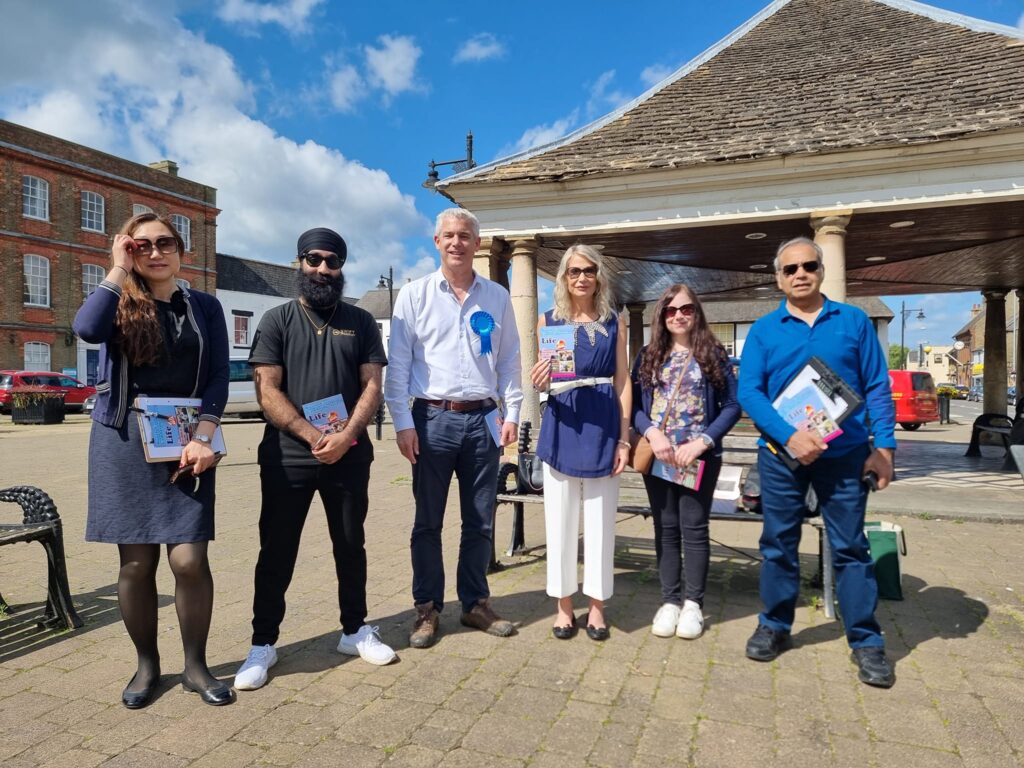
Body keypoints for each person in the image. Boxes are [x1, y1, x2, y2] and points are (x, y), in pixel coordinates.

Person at [73, 212, 233, 708]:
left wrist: (205, 436)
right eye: (142, 246)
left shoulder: (205, 307)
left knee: (189, 559)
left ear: (182, 251)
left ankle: (195, 666)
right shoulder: (118, 300)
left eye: (165, 243)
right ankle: (146, 665)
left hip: (186, 441)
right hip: (123, 439)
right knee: (137, 564)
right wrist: (118, 271)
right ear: (128, 251)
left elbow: (218, 378)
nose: (156, 252)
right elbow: (85, 328)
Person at [233, 227, 396, 692]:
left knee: (350, 544)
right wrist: (311, 434)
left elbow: (371, 385)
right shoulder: (276, 320)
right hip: (288, 456)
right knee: (277, 550)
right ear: (299, 263)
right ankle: (263, 643)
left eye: (332, 261)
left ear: (342, 267)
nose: (323, 268)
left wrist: (345, 437)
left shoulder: (361, 322)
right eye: (314, 259)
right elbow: (268, 388)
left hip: (348, 454)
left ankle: (354, 630)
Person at [738, 236, 897, 688]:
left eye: (809, 265)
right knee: (778, 544)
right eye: (790, 269)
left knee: (850, 548)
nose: (800, 273)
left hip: (845, 456)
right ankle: (774, 624)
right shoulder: (765, 330)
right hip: (781, 457)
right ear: (778, 278)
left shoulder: (853, 322)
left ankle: (866, 641)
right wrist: (790, 436)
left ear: (821, 270)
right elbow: (749, 391)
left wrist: (883, 448)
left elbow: (877, 386)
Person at [385, 208, 523, 648]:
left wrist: (514, 413)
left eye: (465, 236)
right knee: (427, 521)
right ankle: (427, 608)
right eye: (448, 235)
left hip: (484, 419)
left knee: (480, 519)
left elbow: (509, 362)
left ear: (477, 244)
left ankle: (475, 603)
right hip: (432, 419)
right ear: (436, 241)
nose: (457, 242)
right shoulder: (414, 295)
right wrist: (403, 423)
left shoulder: (497, 297)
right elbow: (399, 367)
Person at [529, 244, 630, 641]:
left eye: (589, 270)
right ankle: (564, 606)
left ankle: (599, 607)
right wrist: (540, 382)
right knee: (560, 520)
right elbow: (546, 378)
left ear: (599, 276)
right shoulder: (548, 320)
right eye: (574, 271)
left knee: (602, 521)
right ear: (564, 278)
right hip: (562, 423)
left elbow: (622, 381)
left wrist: (624, 439)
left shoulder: (614, 322)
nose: (582, 277)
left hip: (603, 425)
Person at [631, 285, 740, 641]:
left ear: (697, 313)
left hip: (698, 459)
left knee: (693, 529)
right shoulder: (648, 355)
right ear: (661, 315)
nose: (679, 315)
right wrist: (651, 433)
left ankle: (693, 604)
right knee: (665, 528)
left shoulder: (713, 353)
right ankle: (669, 601)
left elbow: (732, 405)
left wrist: (703, 441)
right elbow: (634, 407)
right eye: (671, 309)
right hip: (660, 458)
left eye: (687, 309)